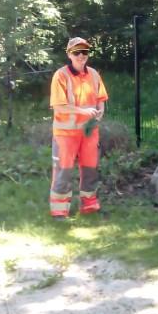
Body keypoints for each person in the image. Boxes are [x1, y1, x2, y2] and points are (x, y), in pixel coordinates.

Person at [49, 37, 109, 220]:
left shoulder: (94, 74)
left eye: (85, 52)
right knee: (63, 170)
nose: (81, 56)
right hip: (65, 134)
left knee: (90, 169)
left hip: (89, 133)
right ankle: (59, 210)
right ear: (69, 54)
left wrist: (100, 111)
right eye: (77, 52)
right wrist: (83, 111)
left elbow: (101, 99)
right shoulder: (60, 76)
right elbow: (59, 106)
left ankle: (90, 206)